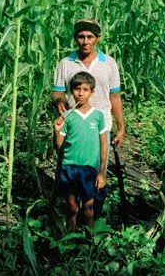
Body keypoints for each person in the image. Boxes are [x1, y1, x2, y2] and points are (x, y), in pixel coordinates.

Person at [51, 18, 125, 214]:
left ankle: (93, 221)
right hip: (73, 125)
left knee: (97, 172)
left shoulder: (109, 63)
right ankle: (72, 220)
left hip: (101, 125)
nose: (85, 41)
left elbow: (115, 97)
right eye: (81, 36)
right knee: (70, 168)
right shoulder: (66, 63)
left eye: (90, 37)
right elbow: (58, 92)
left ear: (97, 38)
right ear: (76, 38)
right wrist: (59, 102)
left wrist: (121, 127)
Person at [53, 71, 108, 231]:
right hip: (69, 167)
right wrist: (57, 130)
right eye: (77, 89)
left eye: (85, 89)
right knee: (71, 208)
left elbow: (103, 145)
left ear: (92, 92)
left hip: (89, 169)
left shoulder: (98, 116)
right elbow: (59, 146)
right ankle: (70, 239)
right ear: (71, 91)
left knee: (89, 209)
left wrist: (101, 172)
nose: (81, 93)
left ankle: (89, 240)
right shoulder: (67, 116)